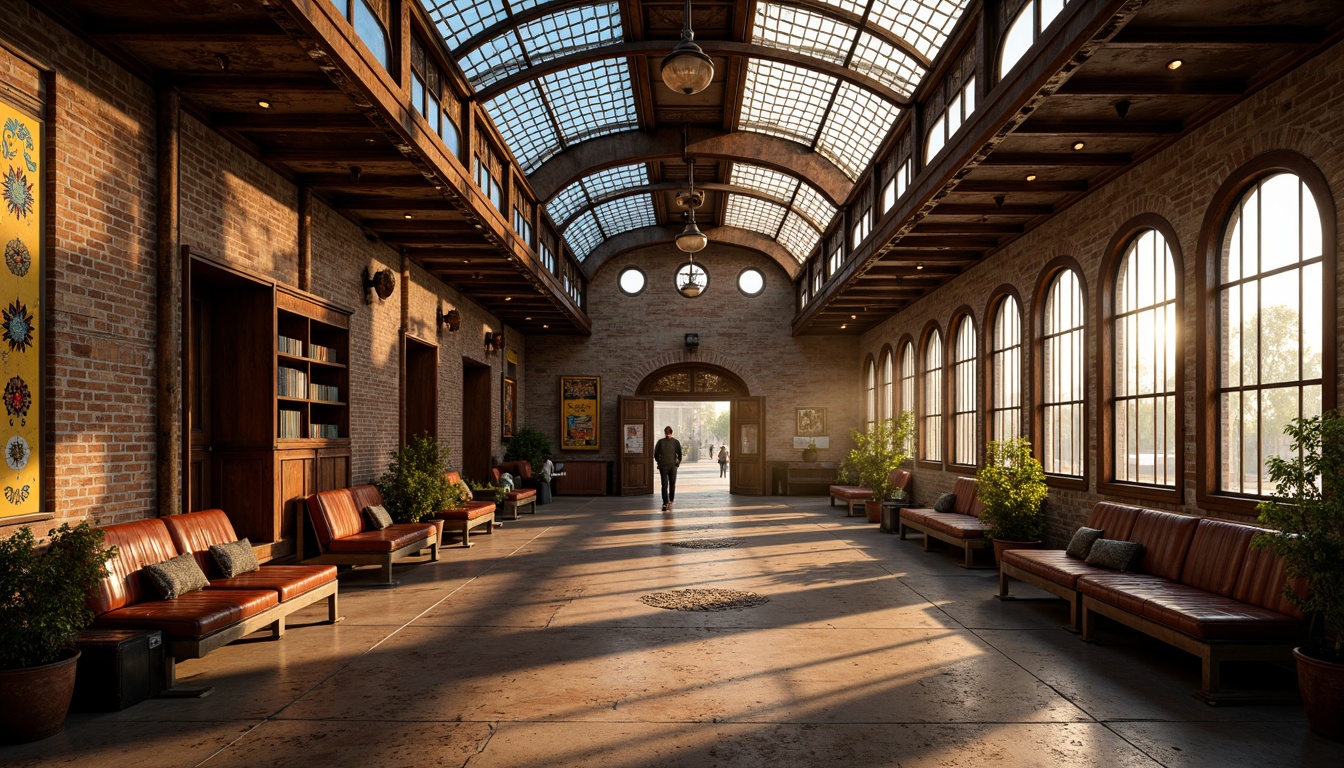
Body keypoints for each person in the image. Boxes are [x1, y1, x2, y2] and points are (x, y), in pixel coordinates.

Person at [653, 425, 682, 512]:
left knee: (668, 484)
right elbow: (656, 454)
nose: (667, 435)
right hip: (669, 466)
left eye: (668, 433)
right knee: (667, 484)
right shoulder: (671, 442)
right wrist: (677, 463)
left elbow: (679, 454)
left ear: (671, 433)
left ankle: (669, 500)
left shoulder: (664, 442)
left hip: (668, 466)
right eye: (666, 433)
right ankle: (667, 501)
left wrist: (659, 461)